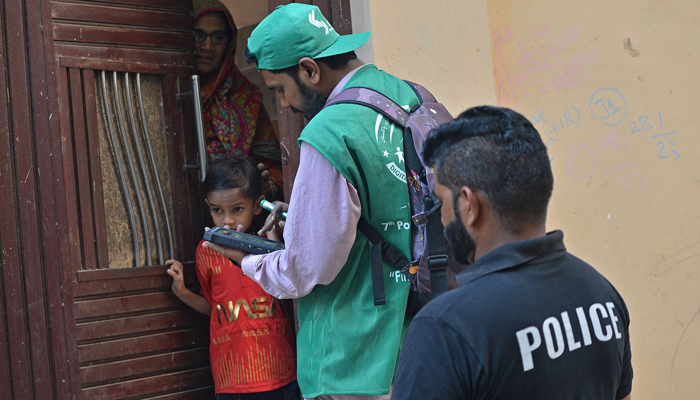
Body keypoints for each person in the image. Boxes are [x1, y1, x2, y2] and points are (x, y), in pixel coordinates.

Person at [203, 4, 424, 399]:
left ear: (308, 70)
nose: (284, 105)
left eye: (280, 90)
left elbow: (304, 269)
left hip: (359, 353)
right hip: (423, 333)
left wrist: (247, 259)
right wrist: (309, 213)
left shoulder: (329, 130)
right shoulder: (407, 96)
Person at [391, 106, 633, 400]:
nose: (439, 216)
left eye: (440, 200)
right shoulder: (601, 294)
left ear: (469, 204)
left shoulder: (444, 328)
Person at [166, 157, 299, 399]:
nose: (227, 220)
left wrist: (271, 231)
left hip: (280, 373)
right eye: (217, 210)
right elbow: (216, 306)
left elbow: (289, 279)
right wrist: (183, 292)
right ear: (208, 206)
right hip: (232, 380)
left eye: (237, 209)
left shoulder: (271, 243)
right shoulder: (206, 251)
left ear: (257, 206)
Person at [193, 0, 283, 200]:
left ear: (230, 41)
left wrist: (268, 185)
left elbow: (274, 169)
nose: (208, 46)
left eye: (218, 37)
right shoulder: (169, 94)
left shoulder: (245, 97)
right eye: (199, 35)